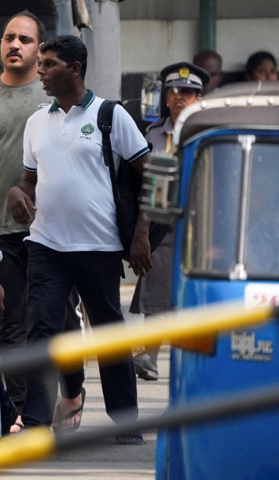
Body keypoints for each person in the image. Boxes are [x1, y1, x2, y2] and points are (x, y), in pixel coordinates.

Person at [8, 35, 151, 445]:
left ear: (74, 68)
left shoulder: (111, 116)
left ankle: (125, 424)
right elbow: (28, 181)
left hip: (99, 246)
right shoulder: (37, 122)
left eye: (48, 65)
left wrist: (141, 232)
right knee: (43, 331)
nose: (40, 73)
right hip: (46, 246)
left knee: (108, 333)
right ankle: (35, 421)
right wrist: (19, 194)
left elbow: (156, 175)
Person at [0, 11, 53, 432]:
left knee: (52, 324)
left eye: (25, 39)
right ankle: (23, 412)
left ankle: (60, 401)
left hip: (51, 233)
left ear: (40, 48)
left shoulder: (53, 94)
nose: (14, 45)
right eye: (8, 38)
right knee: (13, 327)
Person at [130, 61, 209, 381]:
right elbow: (146, 185)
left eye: (189, 93)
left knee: (198, 296)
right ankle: (149, 356)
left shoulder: (208, 133)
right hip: (161, 222)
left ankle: (196, 367)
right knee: (157, 290)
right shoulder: (152, 134)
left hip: (199, 225)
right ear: (166, 97)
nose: (180, 97)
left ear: (200, 98)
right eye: (175, 91)